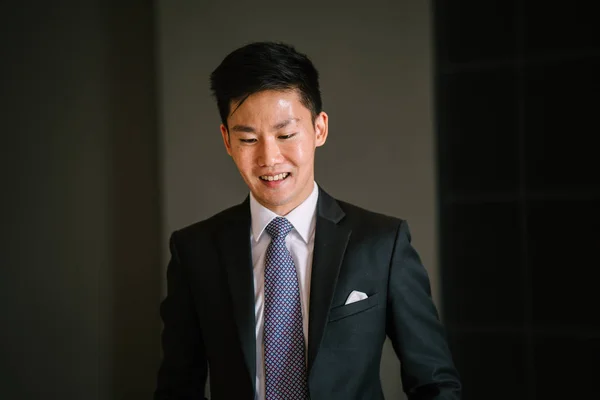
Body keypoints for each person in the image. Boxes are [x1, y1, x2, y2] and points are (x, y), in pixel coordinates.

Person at [154, 41, 461, 400]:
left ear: (319, 129)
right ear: (226, 140)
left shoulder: (382, 243)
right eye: (249, 139)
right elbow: (177, 388)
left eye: (285, 135)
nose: (269, 158)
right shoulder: (195, 252)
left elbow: (435, 384)